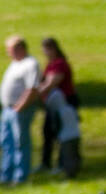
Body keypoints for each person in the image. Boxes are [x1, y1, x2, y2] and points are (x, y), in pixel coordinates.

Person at [0, 36, 41, 185]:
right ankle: (6, 175)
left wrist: (20, 107)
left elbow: (32, 89)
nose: (9, 53)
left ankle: (20, 176)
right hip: (7, 110)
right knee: (6, 143)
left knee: (20, 143)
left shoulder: (30, 64)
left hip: (20, 110)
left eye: (10, 50)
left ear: (20, 48)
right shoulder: (15, 64)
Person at [31, 38, 78, 174]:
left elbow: (51, 83)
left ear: (53, 49)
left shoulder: (59, 64)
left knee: (61, 134)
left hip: (64, 105)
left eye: (46, 49)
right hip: (52, 105)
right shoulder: (51, 64)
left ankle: (62, 164)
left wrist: (32, 95)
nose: (44, 52)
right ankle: (46, 163)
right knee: (48, 132)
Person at [43, 86, 81, 178]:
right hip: (76, 134)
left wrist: (56, 135)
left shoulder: (58, 113)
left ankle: (69, 174)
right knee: (74, 154)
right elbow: (78, 119)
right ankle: (76, 170)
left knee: (67, 156)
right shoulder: (70, 108)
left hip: (65, 137)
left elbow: (57, 126)